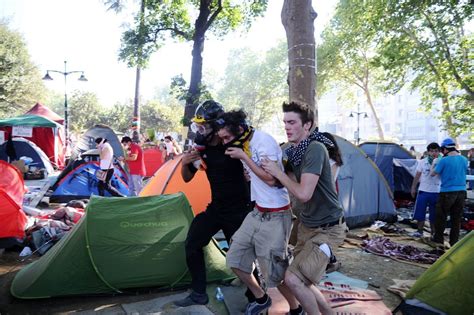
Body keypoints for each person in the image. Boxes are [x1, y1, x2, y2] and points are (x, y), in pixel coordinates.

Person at [262, 101, 347, 315]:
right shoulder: (294, 152)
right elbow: (284, 182)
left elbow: (303, 193)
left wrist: (278, 172)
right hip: (307, 227)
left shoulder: (315, 149)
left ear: (307, 125)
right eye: (285, 123)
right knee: (300, 280)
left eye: (292, 122)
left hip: (328, 229)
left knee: (293, 279)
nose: (287, 127)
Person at [173, 100, 253, 307]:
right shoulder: (203, 146)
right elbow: (187, 178)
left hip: (239, 210)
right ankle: (198, 293)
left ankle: (256, 298)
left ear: (216, 125)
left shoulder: (233, 143)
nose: (200, 131)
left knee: (242, 258)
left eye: (203, 126)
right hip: (217, 207)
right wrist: (185, 161)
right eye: (197, 126)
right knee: (192, 243)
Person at [216, 110, 292, 315]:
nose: (224, 142)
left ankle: (296, 308)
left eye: (226, 137)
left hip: (276, 213)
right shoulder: (243, 144)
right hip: (257, 212)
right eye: (221, 138)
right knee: (234, 259)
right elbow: (258, 177)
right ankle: (261, 297)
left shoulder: (262, 142)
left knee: (275, 273)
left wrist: (244, 158)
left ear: (240, 130)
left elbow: (272, 179)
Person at [430, 137, 468, 246]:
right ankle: (454, 243)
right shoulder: (464, 159)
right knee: (456, 219)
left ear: (445, 149)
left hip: (447, 192)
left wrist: (434, 163)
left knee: (441, 217)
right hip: (461, 192)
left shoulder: (443, 160)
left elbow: (433, 173)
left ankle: (438, 241)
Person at [410, 142, 441, 238]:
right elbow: (417, 175)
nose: (434, 153)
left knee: (434, 214)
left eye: (436, 151)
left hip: (436, 191)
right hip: (423, 191)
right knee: (420, 212)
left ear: (439, 152)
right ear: (428, 152)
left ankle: (433, 233)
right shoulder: (422, 162)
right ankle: (419, 231)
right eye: (431, 151)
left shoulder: (442, 162)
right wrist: (413, 188)